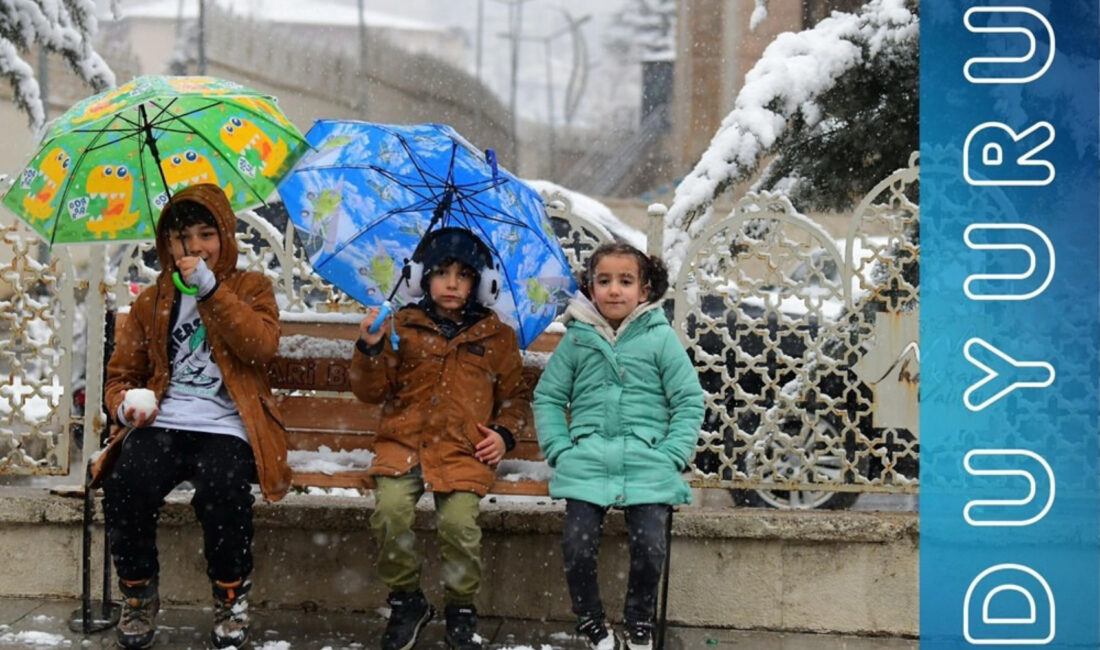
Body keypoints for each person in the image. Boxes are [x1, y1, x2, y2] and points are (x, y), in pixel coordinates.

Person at [99, 183, 291, 649]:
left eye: (208, 234)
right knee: (125, 483)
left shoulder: (251, 288)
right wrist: (125, 404)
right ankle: (138, 592)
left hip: (227, 426)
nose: (196, 246)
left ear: (225, 237)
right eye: (183, 236)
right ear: (167, 244)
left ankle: (230, 595)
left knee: (223, 490)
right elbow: (120, 375)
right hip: (163, 423)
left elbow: (260, 347)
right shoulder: (154, 298)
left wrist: (211, 291)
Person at [350, 226, 531, 650]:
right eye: (441, 272)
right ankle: (407, 600)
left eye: (463, 274)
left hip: (464, 450)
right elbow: (369, 391)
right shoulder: (400, 327)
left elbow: (516, 398)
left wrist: (505, 435)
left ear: (481, 284)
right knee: (391, 513)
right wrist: (370, 347)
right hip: (404, 444)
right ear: (420, 279)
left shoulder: (497, 337)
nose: (452, 283)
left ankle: (461, 609)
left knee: (458, 526)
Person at [533, 242, 704, 650]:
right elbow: (549, 397)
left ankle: (639, 620)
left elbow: (688, 399)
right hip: (588, 459)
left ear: (644, 290)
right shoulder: (577, 340)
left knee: (649, 544)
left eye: (625, 281)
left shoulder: (660, 338)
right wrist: (560, 449)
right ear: (590, 289)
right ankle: (591, 621)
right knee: (577, 545)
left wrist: (672, 454)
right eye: (604, 281)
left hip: (647, 460)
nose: (614, 290)